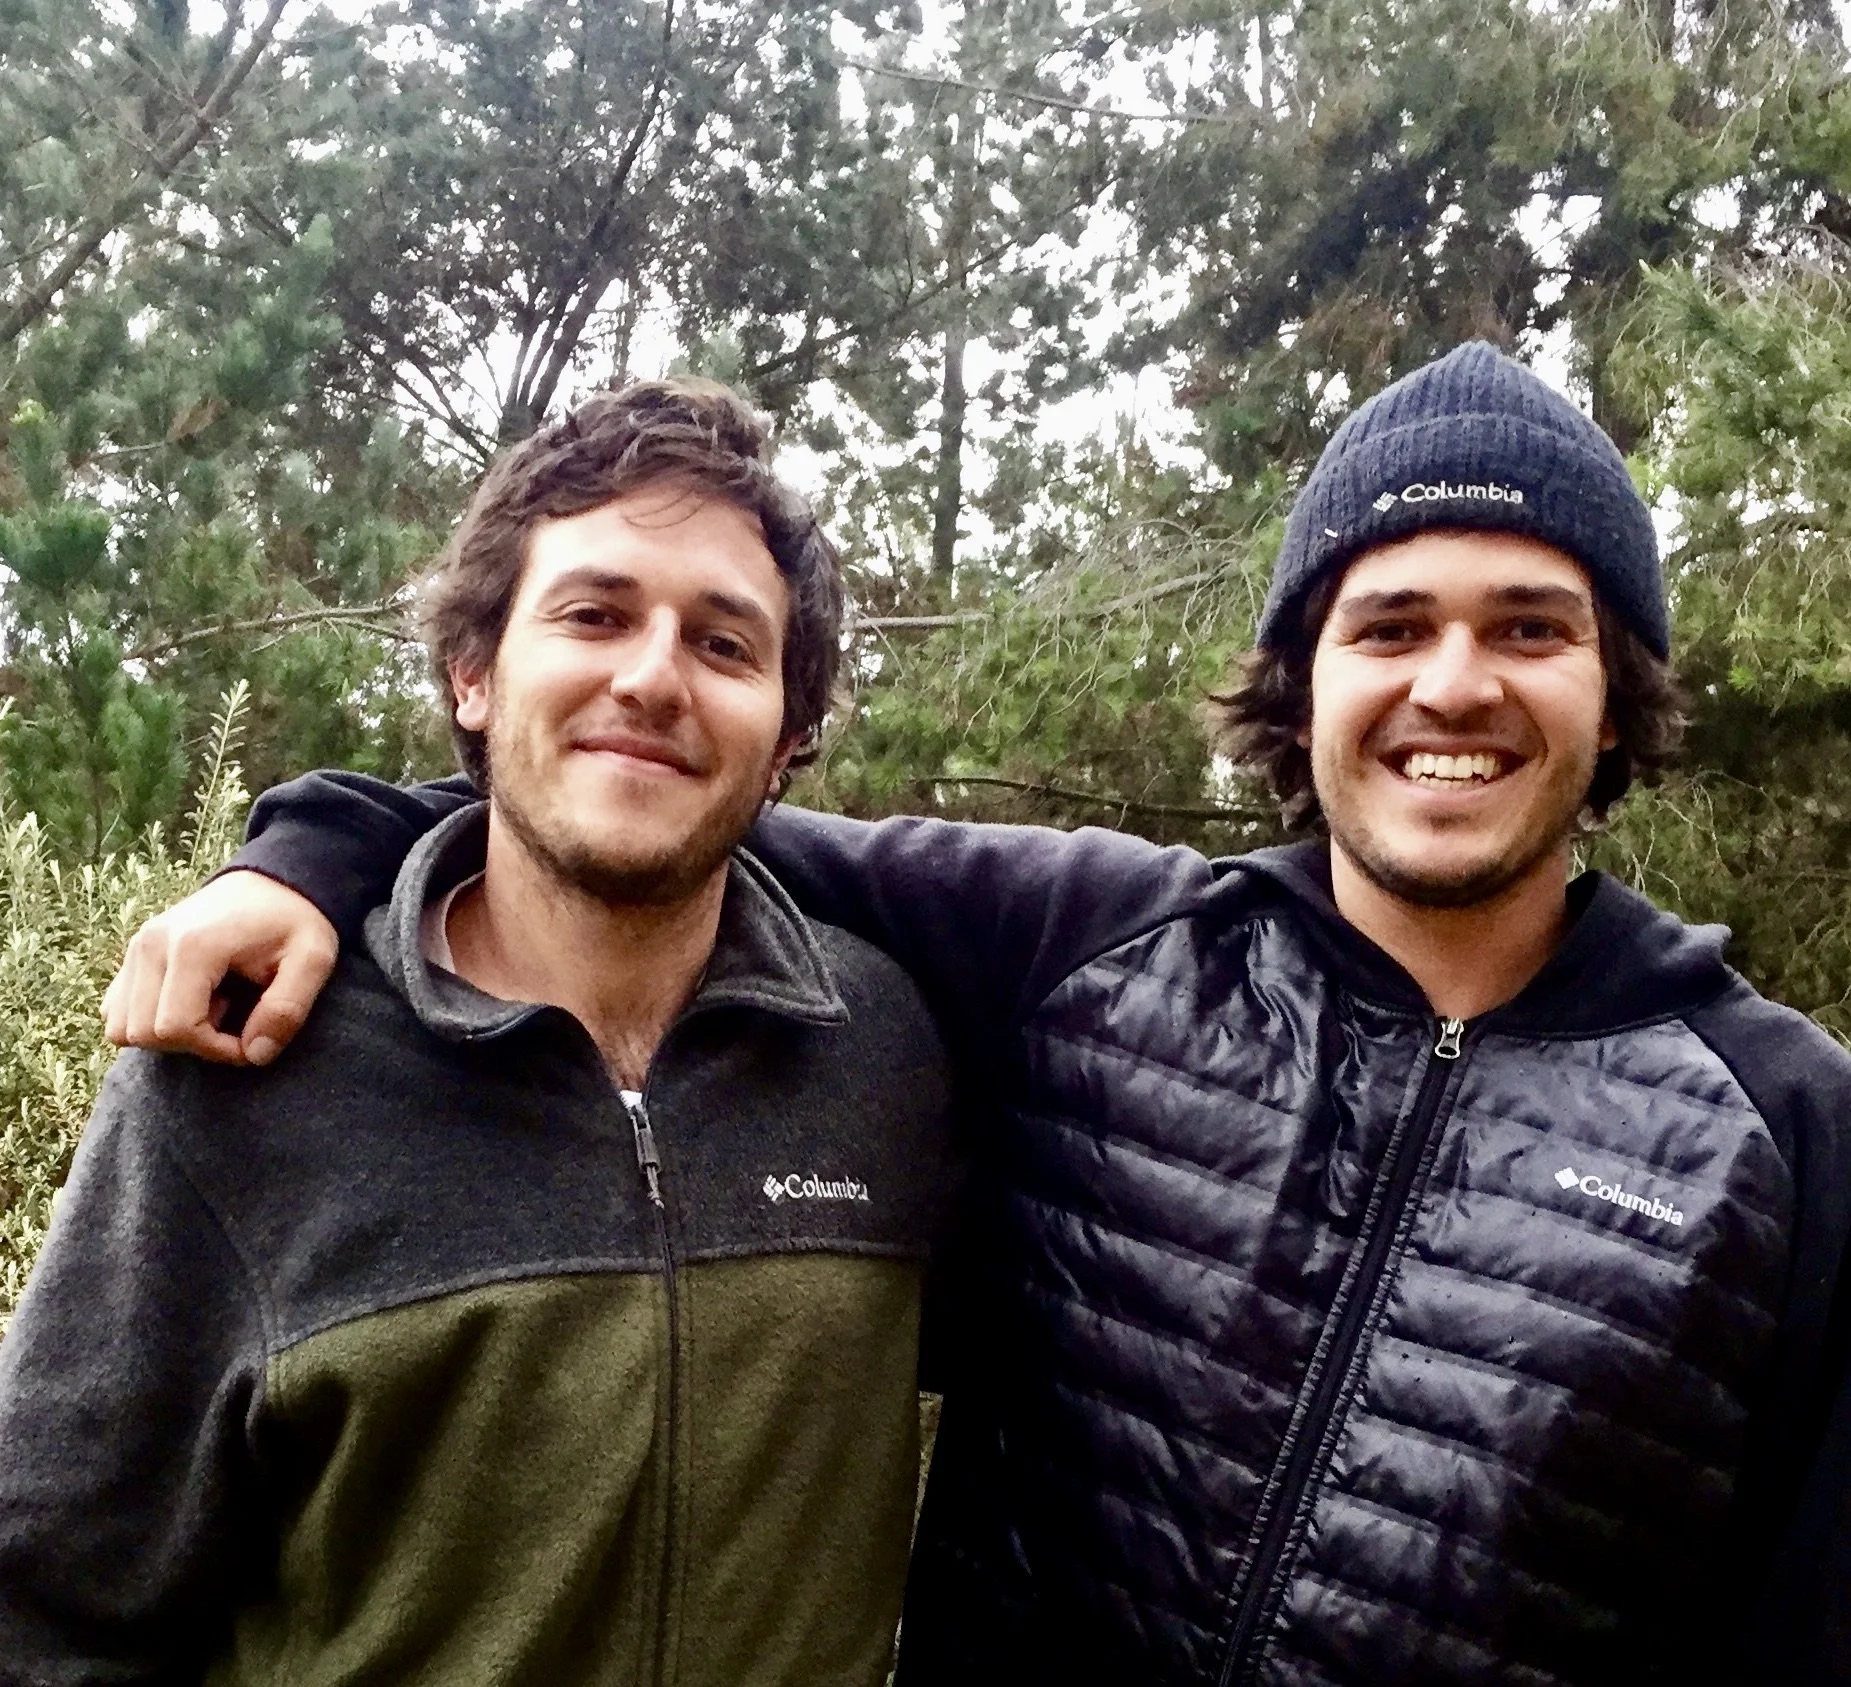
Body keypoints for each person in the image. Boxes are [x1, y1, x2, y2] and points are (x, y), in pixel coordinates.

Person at [102, 344, 1851, 1686]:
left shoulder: (1783, 1130)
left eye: (1528, 628)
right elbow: (637, 796)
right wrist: (321, 845)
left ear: (1614, 698)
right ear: (1300, 683)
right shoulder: (1076, 952)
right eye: (1385, 622)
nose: (1449, 683)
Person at [0, 379, 954, 1686]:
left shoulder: (887, 1051)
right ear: (473, 673)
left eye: (725, 644)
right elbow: (43, 1609)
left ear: (787, 737)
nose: (651, 675)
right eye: (593, 613)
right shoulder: (246, 1071)